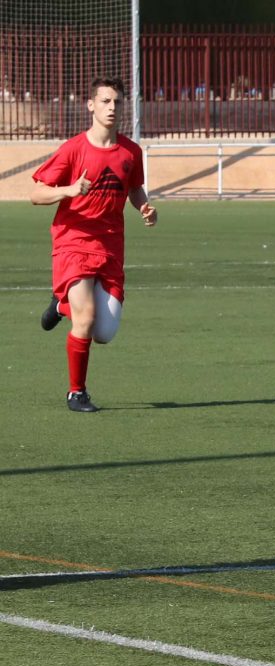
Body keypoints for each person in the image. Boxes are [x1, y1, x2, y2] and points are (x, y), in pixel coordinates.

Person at [31, 76, 157, 413]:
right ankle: (77, 393)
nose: (112, 107)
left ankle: (59, 307)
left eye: (117, 102)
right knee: (85, 319)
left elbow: (133, 188)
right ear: (91, 105)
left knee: (103, 332)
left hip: (111, 246)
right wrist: (67, 190)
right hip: (73, 240)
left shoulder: (131, 151)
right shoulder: (73, 149)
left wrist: (144, 206)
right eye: (105, 101)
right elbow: (36, 193)